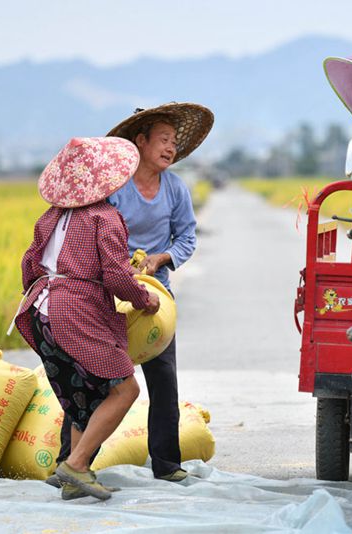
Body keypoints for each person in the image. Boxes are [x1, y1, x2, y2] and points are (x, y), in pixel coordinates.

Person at [10, 136, 160, 501]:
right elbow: (117, 276)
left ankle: (76, 478)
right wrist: (146, 299)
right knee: (126, 389)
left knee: (82, 397)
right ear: (109, 181)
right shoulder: (105, 217)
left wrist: (49, 292)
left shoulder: (51, 217)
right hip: (74, 315)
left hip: (39, 312)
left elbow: (29, 265)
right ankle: (75, 465)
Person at [106, 102, 214, 482]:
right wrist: (121, 266)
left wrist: (160, 258)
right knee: (98, 380)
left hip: (156, 299)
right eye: (163, 140)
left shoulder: (175, 188)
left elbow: (187, 236)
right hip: (112, 296)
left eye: (173, 143)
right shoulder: (116, 188)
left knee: (164, 381)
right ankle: (73, 460)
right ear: (141, 141)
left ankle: (167, 465)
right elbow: (99, 234)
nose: (170, 148)